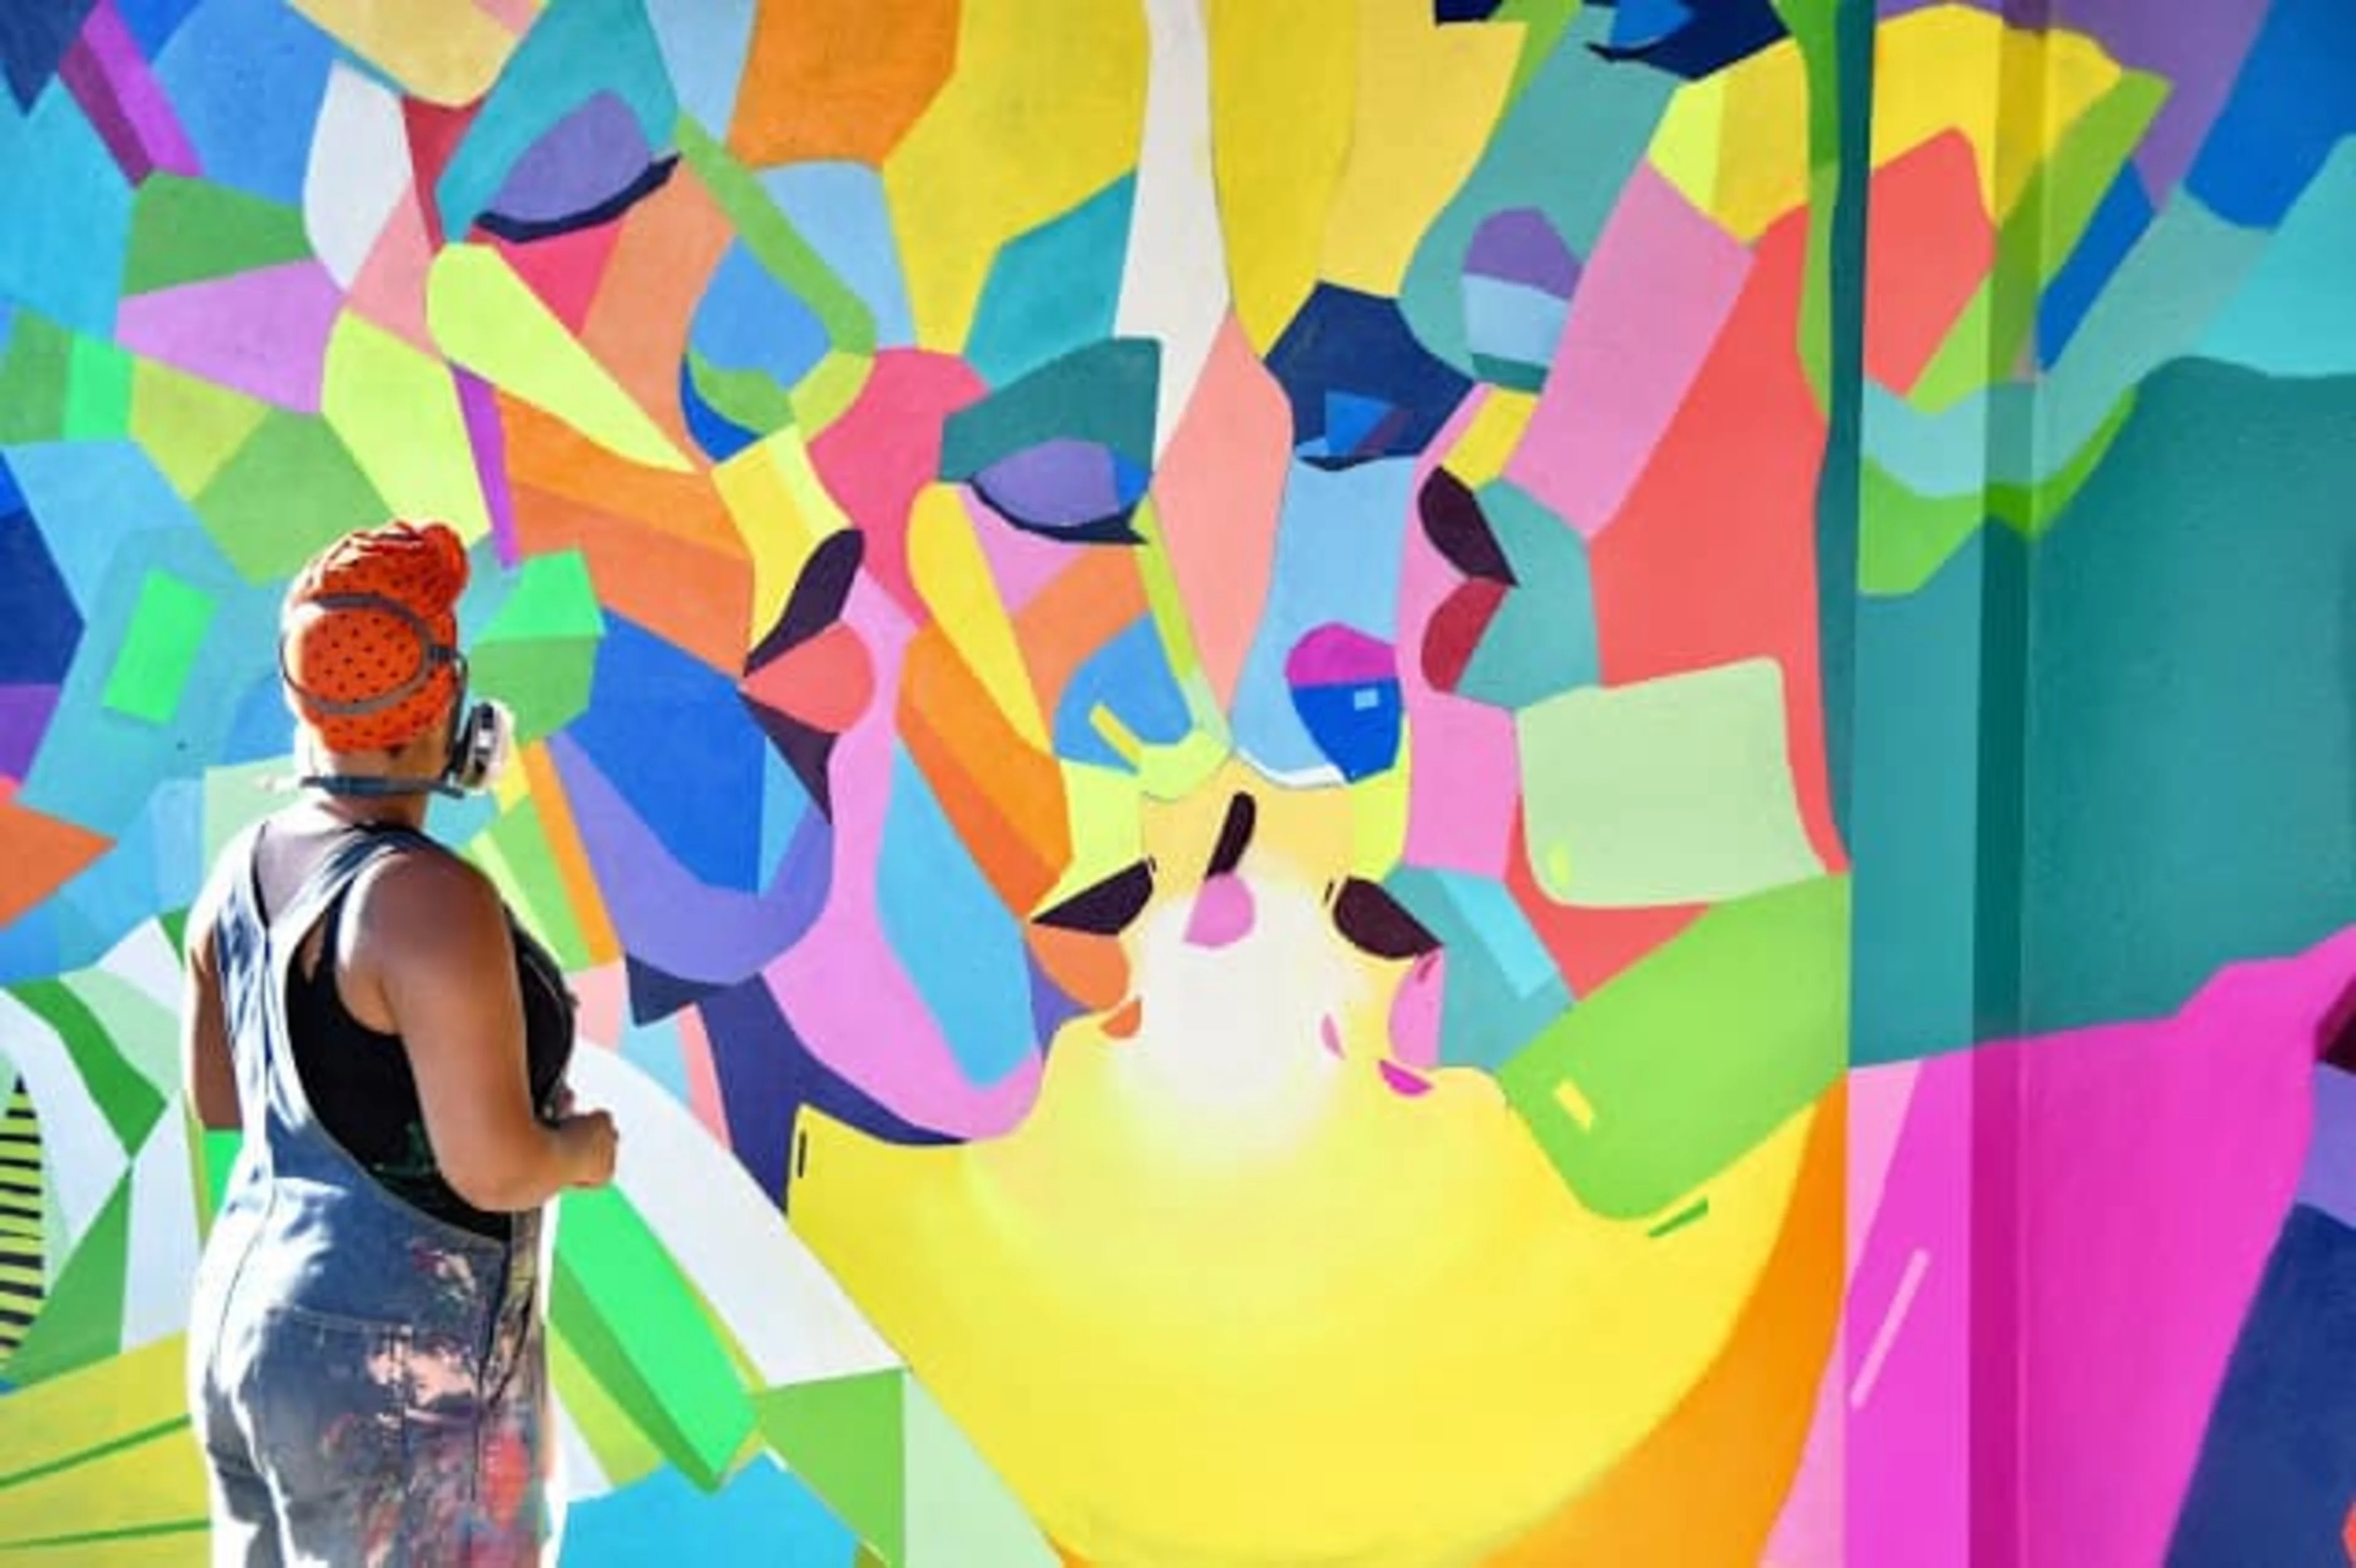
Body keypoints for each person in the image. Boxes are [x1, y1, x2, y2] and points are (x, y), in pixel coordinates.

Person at [179, 520, 619, 1565]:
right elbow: (497, 1167)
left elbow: (227, 1101)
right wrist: (581, 1151)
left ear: (305, 704)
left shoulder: (244, 866)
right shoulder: (426, 899)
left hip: (252, 1328)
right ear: (447, 706)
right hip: (390, 1376)